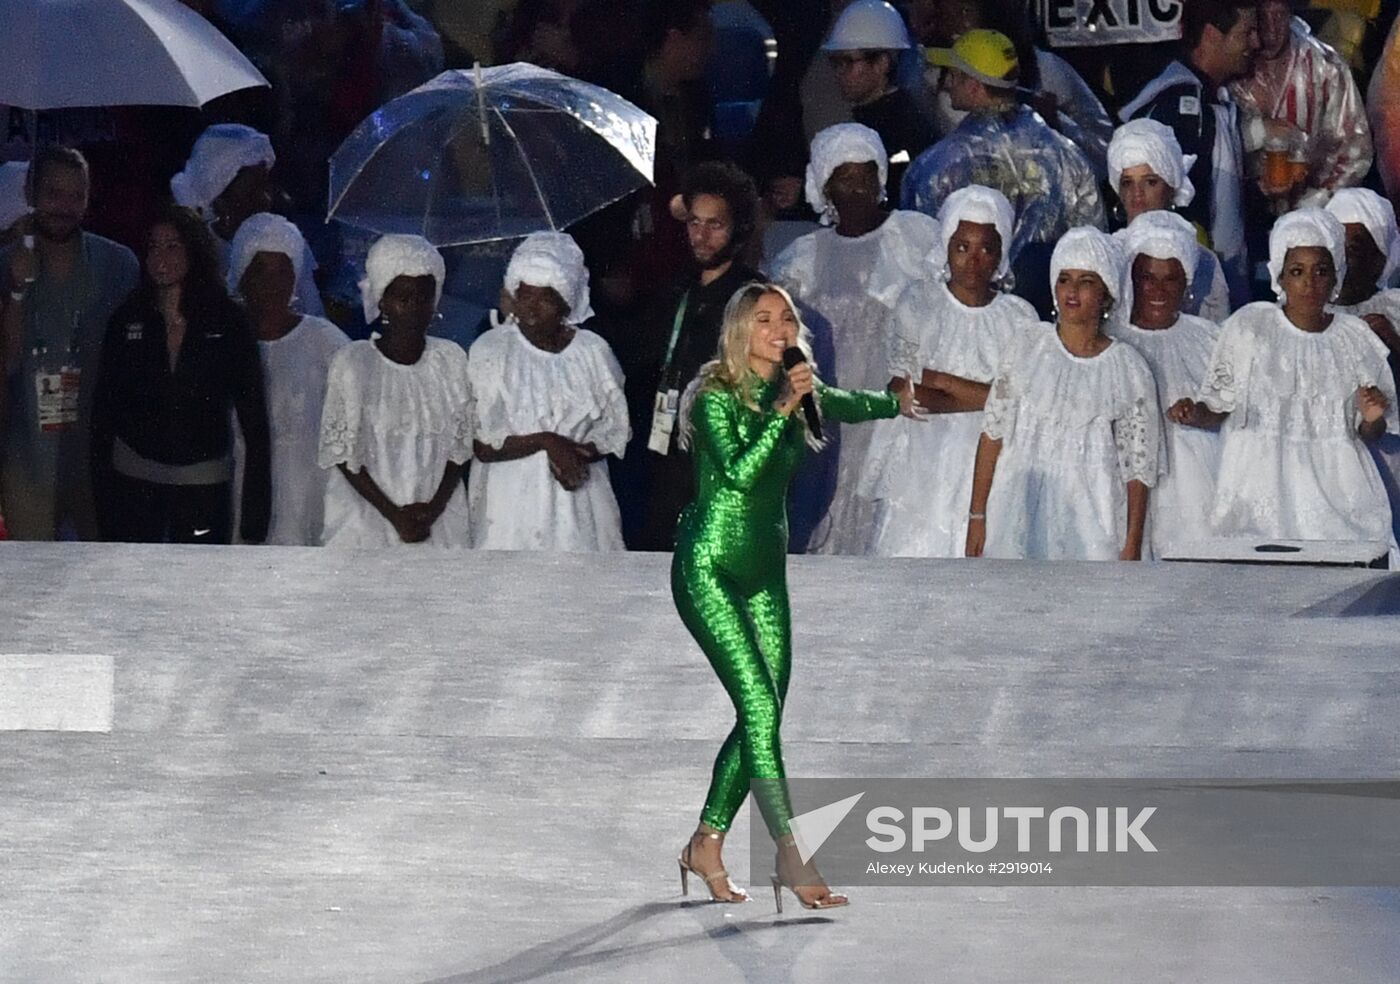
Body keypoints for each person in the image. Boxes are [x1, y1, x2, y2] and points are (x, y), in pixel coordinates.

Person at [671, 281, 920, 910]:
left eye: (786, 319)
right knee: (757, 708)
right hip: (709, 570)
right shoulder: (713, 398)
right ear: (738, 332)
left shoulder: (797, 388)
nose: (780, 330)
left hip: (765, 575)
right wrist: (782, 407)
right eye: (764, 320)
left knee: (764, 715)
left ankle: (706, 842)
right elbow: (736, 474)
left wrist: (896, 405)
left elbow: (849, 403)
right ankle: (791, 854)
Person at [1169, 209, 1395, 560]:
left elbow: (1370, 433)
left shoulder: (1355, 339)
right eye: (1297, 272)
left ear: (1335, 276)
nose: (1309, 283)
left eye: (1321, 271)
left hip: (1335, 491)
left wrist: (1371, 417)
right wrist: (1193, 412)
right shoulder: (1250, 328)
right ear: (1280, 277)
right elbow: (1218, 408)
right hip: (1259, 486)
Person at [771, 122, 942, 554]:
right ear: (824, 187)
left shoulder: (917, 238)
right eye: (843, 177)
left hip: (892, 403)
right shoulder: (801, 258)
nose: (857, 188)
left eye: (865, 174)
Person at [862, 185, 1039, 557]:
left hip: (994, 470)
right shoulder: (919, 303)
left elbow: (1026, 401)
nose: (973, 261)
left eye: (986, 249)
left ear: (1001, 254)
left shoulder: (1019, 318)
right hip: (923, 468)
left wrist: (941, 380)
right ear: (946, 246)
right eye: (962, 247)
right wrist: (994, 397)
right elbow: (905, 393)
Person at [966, 228, 1161, 561]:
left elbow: (1138, 468)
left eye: (1086, 281)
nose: (1072, 291)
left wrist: (1132, 544)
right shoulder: (1028, 346)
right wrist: (977, 516)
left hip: (1091, 517)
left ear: (1107, 293)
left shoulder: (1128, 369)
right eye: (1065, 279)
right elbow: (992, 435)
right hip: (1020, 509)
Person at [90, 206, 270, 544]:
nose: (161, 257)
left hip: (202, 484)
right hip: (134, 480)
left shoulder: (229, 321)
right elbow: (103, 414)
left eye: (172, 246)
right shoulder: (128, 316)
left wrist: (255, 517)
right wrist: (102, 500)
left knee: (196, 589)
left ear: (193, 250)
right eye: (154, 247)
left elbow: (254, 421)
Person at [903, 29, 1105, 318]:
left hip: (965, 323)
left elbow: (917, 258)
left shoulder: (934, 166)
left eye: (954, 75)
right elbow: (1094, 247)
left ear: (974, 86)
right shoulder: (1066, 154)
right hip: (1047, 326)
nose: (947, 85)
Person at [1, 146, 139, 540]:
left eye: (76, 195)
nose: (65, 206)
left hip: (97, 458)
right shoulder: (5, 264)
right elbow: (6, 361)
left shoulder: (119, 266)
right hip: (26, 459)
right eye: (53, 194)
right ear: (30, 193)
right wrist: (15, 291)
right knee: (31, 581)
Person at [626, 161, 760, 551]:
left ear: (738, 230)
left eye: (714, 225)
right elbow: (639, 353)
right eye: (694, 223)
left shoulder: (754, 299)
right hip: (667, 463)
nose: (700, 236)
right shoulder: (677, 289)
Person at [468, 232, 629, 551]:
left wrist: (577, 456)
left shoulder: (593, 352)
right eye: (525, 295)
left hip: (579, 497)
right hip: (513, 504)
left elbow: (614, 429)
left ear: (566, 302)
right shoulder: (493, 350)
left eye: (545, 299)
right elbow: (484, 444)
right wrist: (547, 442)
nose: (531, 308)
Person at [317, 234, 472, 548]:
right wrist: (394, 515)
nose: (414, 308)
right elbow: (344, 454)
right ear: (382, 300)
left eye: (424, 297)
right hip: (368, 519)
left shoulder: (451, 359)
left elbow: (461, 448)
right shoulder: (353, 363)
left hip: (437, 520)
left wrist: (435, 508)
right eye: (403, 297)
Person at [1119, 0, 1261, 308]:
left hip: (1221, 279)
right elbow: (1161, 203)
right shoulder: (1179, 102)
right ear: (1211, 35)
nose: (1256, 43)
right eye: (1246, 32)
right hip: (1190, 288)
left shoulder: (1210, 97)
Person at [227, 213, 349, 546]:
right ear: (241, 275)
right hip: (239, 500)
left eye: (283, 271)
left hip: (310, 504)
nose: (272, 284)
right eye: (261, 271)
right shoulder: (224, 341)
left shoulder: (326, 342)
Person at [1107, 211, 1222, 557]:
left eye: (1170, 279)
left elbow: (1232, 411)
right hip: (1120, 481)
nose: (1158, 290)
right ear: (1130, 278)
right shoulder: (1110, 338)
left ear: (1186, 283)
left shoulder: (1209, 339)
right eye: (1147, 278)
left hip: (1193, 485)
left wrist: (1199, 414)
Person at [171, 124, 325, 318]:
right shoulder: (197, 252)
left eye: (265, 185)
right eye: (253, 191)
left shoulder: (283, 239)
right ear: (219, 199)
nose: (266, 198)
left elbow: (312, 317)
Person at [1230, 0, 1372, 208]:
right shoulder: (1229, 66)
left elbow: (1355, 149)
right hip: (1241, 214)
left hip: (1310, 217)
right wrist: (1255, 132)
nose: (1270, 30)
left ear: (1291, 13)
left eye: (1278, 16)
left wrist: (1319, 201)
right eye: (1261, 17)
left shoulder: (1325, 66)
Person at [1327, 188, 1400, 542]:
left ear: (1380, 256)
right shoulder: (1313, 312)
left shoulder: (1395, 307)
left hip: (1390, 452)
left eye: (1357, 247)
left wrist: (1394, 344)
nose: (1347, 258)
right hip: (1331, 451)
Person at [1107, 119, 1231, 323]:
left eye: (1150, 182)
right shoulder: (1107, 253)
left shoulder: (1203, 261)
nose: (1137, 194)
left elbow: (1218, 330)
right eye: (1128, 183)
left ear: (1171, 187)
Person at [818, 0, 936, 201]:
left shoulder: (904, 130)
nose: (839, 72)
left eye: (847, 61)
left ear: (882, 63)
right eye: (835, 62)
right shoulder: (882, 118)